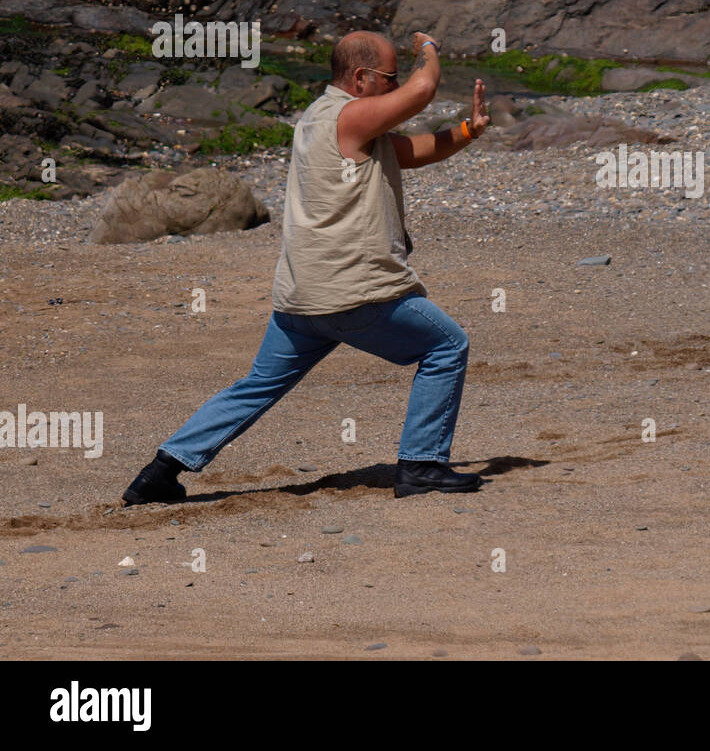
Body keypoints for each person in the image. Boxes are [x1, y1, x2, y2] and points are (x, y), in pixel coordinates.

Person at [123, 30, 491, 503]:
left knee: (258, 386)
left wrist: (467, 131)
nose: (398, 84)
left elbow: (414, 152)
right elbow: (422, 91)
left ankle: (159, 472)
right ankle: (421, 465)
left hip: (303, 296)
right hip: (356, 294)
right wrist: (430, 48)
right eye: (390, 76)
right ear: (360, 78)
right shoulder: (350, 116)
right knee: (447, 346)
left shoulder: (322, 119)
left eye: (400, 76)